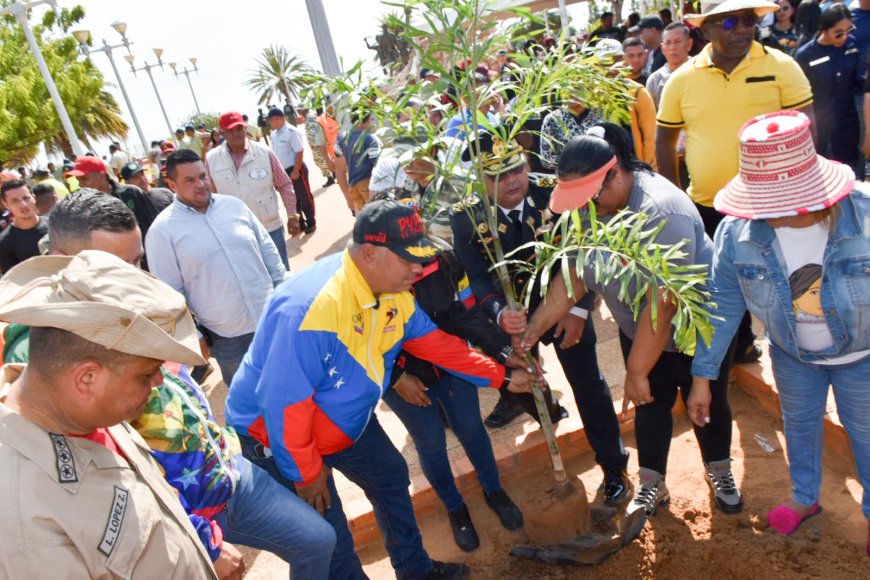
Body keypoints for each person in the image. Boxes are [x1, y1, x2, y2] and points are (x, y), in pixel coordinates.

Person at [0, 190, 337, 579]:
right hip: (191, 509)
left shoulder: (117, 311)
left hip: (218, 470)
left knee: (317, 540)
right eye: (117, 265)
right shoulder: (51, 350)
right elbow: (108, 481)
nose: (135, 277)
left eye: (137, 261)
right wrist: (201, 541)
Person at [226, 200, 538, 580]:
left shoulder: (394, 292)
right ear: (370, 254)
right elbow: (284, 405)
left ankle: (415, 570)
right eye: (408, 259)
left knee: (390, 475)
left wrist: (503, 378)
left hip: (343, 422)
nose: (419, 269)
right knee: (329, 540)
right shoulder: (309, 309)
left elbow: (438, 345)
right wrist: (305, 473)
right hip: (279, 439)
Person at [521, 123, 742, 517]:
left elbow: (665, 304)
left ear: (617, 173)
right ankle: (653, 484)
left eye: (591, 195)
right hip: (638, 328)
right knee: (649, 406)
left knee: (707, 405)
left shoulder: (661, 210)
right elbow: (574, 275)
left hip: (694, 330)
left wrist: (637, 370)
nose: (586, 206)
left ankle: (719, 469)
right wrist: (530, 332)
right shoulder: (591, 208)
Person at [688, 111, 869, 556]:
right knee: (799, 425)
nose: (773, 215)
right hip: (792, 355)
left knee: (866, 432)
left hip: (862, 355)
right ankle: (805, 498)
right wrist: (702, 376)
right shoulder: (738, 233)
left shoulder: (863, 215)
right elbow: (724, 303)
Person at [0, 250, 217, 578]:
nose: (159, 381)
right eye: (146, 375)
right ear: (87, 378)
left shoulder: (85, 413)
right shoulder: (24, 526)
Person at [449, 133, 631, 504]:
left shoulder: (555, 193)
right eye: (498, 176)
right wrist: (499, 315)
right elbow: (476, 277)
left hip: (566, 303)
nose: (513, 181)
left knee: (589, 384)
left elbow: (586, 250)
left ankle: (614, 467)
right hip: (511, 316)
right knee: (524, 381)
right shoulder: (466, 216)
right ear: (481, 181)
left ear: (528, 164)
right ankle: (546, 418)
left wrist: (580, 309)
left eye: (517, 169)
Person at [657, 0, 814, 364]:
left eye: (749, 19)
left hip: (774, 205)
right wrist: (676, 201)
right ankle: (739, 345)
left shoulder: (781, 66)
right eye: (730, 21)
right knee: (724, 285)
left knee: (786, 280)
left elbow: (807, 128)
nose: (743, 28)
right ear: (705, 29)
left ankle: (799, 353)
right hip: (710, 206)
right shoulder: (681, 79)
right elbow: (665, 141)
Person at [372, 190, 524, 552]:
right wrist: (394, 380)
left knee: (472, 430)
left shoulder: (444, 257)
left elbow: (466, 313)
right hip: (407, 380)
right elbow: (361, 347)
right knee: (431, 445)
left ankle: (494, 490)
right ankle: (456, 509)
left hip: (453, 366)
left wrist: (502, 351)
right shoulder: (368, 283)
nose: (414, 265)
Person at [146, 149, 287, 387]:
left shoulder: (234, 206)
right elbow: (170, 293)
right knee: (250, 400)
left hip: (271, 318)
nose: (200, 184)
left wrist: (284, 294)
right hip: (227, 337)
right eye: (189, 180)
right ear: (172, 184)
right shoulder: (162, 232)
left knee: (292, 383)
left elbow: (268, 252)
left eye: (203, 176)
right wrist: (196, 336)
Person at [206, 111, 301, 269]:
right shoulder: (212, 159)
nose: (236, 133)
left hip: (270, 226)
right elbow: (211, 198)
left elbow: (284, 184)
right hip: (236, 233)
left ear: (245, 128)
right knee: (253, 276)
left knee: (281, 271)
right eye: (230, 130)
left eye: (239, 128)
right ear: (222, 132)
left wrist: (292, 215)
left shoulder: (264, 152)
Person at [796, 5, 866, 180]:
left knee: (852, 173)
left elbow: (858, 81)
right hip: (821, 127)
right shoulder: (806, 55)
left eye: (848, 31)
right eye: (838, 32)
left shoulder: (851, 46)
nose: (844, 37)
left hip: (848, 122)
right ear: (823, 29)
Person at [63, 156, 160, 248]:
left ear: (101, 175)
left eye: (84, 178)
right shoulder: (87, 208)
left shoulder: (131, 193)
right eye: (78, 180)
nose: (80, 184)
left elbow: (155, 225)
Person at [268, 107, 317, 234]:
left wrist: (296, 170)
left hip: (296, 168)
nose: (270, 123)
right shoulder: (273, 134)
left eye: (271, 120)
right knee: (292, 198)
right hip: (283, 172)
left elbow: (299, 151)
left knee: (304, 196)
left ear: (279, 119)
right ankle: (300, 222)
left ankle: (311, 221)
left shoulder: (291, 131)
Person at [334, 108, 381, 214]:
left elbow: (339, 171)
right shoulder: (370, 139)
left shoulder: (342, 139)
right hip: (369, 188)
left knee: (364, 222)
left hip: (353, 189)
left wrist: (347, 198)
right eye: (371, 119)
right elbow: (378, 167)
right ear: (367, 120)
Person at [0, 180, 49, 273]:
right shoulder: (4, 242)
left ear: (33, 198)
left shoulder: (55, 226)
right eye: (15, 201)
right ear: (6, 204)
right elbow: (11, 280)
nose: (23, 204)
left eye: (26, 198)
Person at [646, 23, 694, 108]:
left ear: (689, 44)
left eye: (677, 42)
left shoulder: (702, 71)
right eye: (668, 43)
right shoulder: (655, 81)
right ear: (662, 48)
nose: (672, 47)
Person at [301, 104, 335, 188]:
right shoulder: (308, 116)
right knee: (321, 161)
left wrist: (315, 144)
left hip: (317, 145)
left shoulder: (310, 117)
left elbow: (316, 129)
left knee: (320, 161)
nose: (298, 112)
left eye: (299, 110)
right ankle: (332, 174)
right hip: (316, 144)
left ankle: (331, 176)